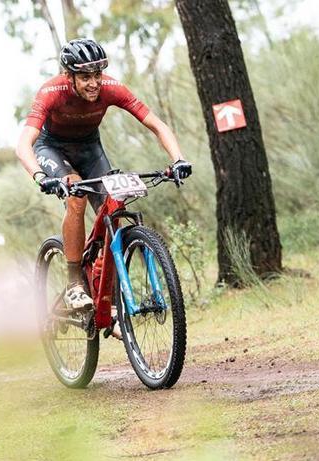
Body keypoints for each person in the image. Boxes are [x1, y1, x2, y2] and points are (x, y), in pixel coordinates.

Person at [16, 38, 192, 312]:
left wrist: (178, 159)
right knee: (76, 196)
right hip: (51, 149)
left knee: (115, 205)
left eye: (97, 74)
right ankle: (75, 283)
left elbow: (156, 124)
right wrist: (41, 176)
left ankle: (104, 296)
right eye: (85, 77)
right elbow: (23, 143)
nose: (94, 83)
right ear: (68, 76)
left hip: (89, 149)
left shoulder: (111, 88)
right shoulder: (52, 92)